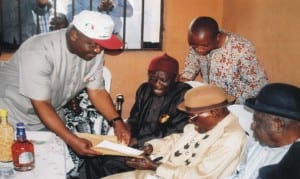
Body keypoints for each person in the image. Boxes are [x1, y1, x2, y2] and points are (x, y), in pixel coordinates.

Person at [0, 10, 130, 157]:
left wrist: (118, 122)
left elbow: (97, 91)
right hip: (12, 116)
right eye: (93, 44)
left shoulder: (94, 52)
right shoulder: (38, 51)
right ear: (74, 35)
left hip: (49, 115)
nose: (98, 50)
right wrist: (72, 140)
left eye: (102, 45)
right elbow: (41, 103)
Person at [102, 85, 247, 179]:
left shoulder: (230, 139)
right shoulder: (202, 123)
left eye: (193, 116)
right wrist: (152, 147)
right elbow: (177, 140)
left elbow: (199, 176)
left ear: (214, 112)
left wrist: (154, 166)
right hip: (162, 171)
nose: (190, 121)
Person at [85, 53, 192, 178]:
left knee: (111, 165)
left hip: (157, 150)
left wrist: (140, 143)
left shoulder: (183, 95)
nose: (156, 84)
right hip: (133, 146)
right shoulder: (144, 90)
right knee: (92, 157)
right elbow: (134, 118)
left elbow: (176, 132)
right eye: (152, 79)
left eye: (163, 80)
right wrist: (127, 130)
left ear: (175, 79)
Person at [179, 16, 268, 104]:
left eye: (204, 46)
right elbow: (192, 64)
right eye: (194, 46)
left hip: (235, 107)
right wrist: (186, 78)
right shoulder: (199, 42)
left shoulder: (241, 50)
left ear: (217, 37)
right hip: (209, 102)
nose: (199, 50)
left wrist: (232, 100)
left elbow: (259, 85)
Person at [229, 83, 300, 179]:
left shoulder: (294, 163)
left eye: (256, 121)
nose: (252, 126)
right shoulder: (257, 144)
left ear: (276, 125)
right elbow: (239, 175)